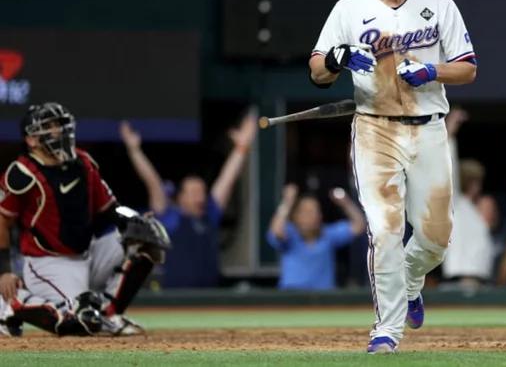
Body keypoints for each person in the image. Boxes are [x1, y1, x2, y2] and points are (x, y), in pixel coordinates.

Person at [308, 0, 476, 354]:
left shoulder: (439, 5)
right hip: (374, 128)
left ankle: (412, 280)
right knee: (383, 231)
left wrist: (430, 70)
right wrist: (337, 58)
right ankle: (386, 330)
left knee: (437, 239)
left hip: (428, 127)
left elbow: (468, 67)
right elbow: (317, 71)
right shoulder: (349, 8)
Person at [0, 102, 170, 337]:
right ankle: (12, 304)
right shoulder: (22, 172)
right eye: (48, 127)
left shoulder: (83, 162)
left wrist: (135, 219)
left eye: (59, 125)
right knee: (83, 321)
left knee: (148, 236)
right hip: (48, 264)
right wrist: (4, 271)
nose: (58, 131)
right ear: (32, 140)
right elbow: (2, 221)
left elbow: (111, 208)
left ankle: (111, 314)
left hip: (86, 254)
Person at [119, 109, 257, 288]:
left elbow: (227, 180)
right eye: (193, 192)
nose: (200, 196)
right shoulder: (169, 219)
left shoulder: (210, 216)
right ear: (180, 198)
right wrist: (134, 150)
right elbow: (153, 183)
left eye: (202, 192)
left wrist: (241, 148)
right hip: (175, 300)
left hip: (210, 297)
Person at [267, 184, 366, 290]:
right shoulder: (290, 234)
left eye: (316, 211)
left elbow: (359, 226)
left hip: (322, 299)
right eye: (307, 212)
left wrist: (345, 202)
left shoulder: (328, 235)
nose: (313, 216)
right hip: (292, 297)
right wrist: (287, 202)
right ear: (296, 215)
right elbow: (276, 232)